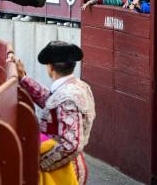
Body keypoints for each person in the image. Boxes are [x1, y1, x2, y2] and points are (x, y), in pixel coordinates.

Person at [7, 41, 95, 185]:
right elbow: (52, 100)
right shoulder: (78, 86)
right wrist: (23, 78)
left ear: (50, 67)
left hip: (65, 172)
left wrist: (38, 163)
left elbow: (71, 145)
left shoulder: (67, 98)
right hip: (71, 165)